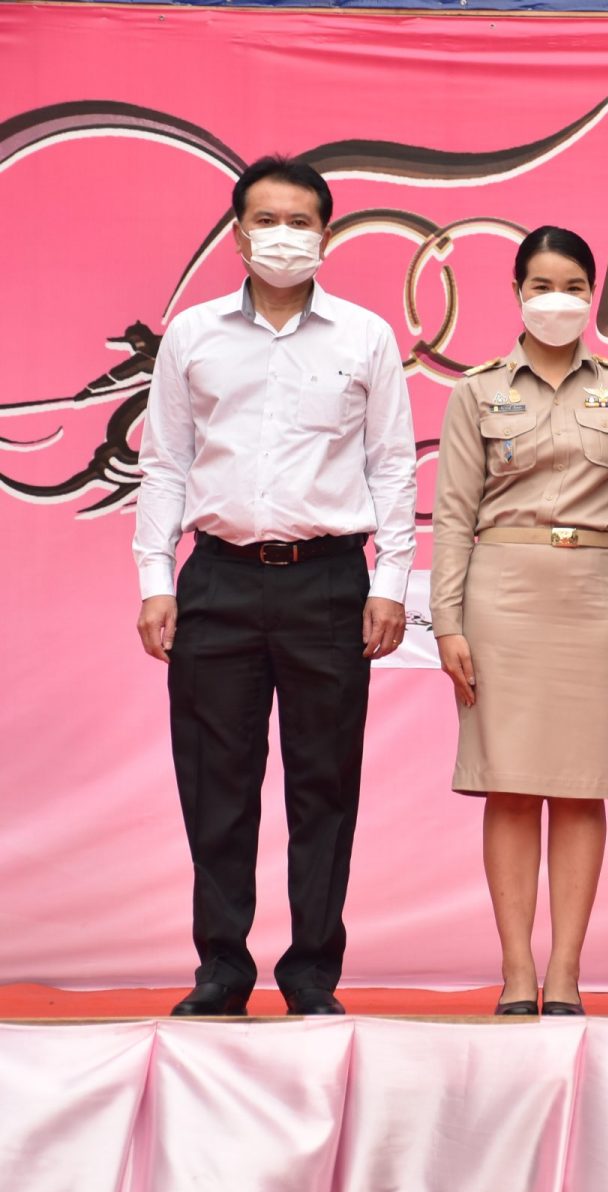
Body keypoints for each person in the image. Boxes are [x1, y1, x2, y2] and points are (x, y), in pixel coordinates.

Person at [132, 156, 416, 1017]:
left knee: (323, 785)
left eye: (300, 222)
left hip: (328, 582)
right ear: (237, 233)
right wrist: (156, 578)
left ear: (326, 235)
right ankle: (222, 967)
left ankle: (311, 973)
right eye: (266, 220)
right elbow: (165, 461)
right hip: (217, 578)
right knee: (216, 784)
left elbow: (392, 465)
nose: (283, 236)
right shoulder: (193, 334)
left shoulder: (365, 336)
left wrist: (390, 581)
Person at [430, 226, 608, 1018]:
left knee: (580, 785)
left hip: (598, 595)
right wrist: (448, 620)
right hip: (503, 593)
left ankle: (564, 969)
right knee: (509, 784)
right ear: (517, 292)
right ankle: (515, 968)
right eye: (541, 286)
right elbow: (454, 513)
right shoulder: (478, 390)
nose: (556, 300)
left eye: (572, 287)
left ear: (592, 295)